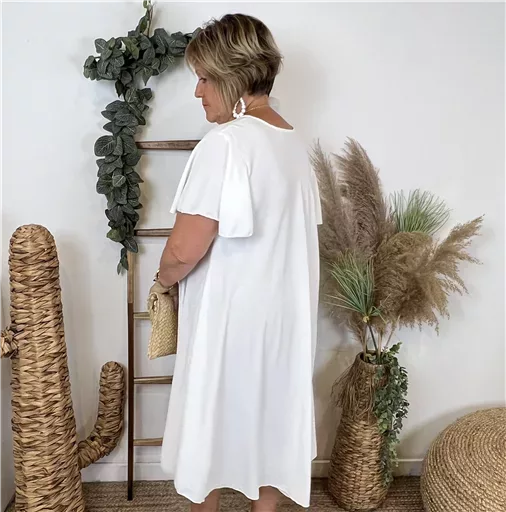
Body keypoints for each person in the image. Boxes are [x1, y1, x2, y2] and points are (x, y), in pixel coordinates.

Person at [155, 13, 322, 512]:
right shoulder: (294, 144)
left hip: (230, 319)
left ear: (233, 76)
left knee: (208, 422)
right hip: (284, 318)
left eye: (205, 78)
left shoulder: (225, 144)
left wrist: (163, 280)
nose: (198, 91)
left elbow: (183, 249)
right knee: (271, 419)